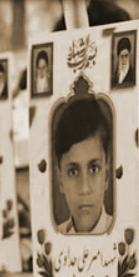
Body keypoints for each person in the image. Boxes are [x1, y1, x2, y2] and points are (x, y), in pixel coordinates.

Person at [53, 97, 113, 234]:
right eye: (73, 172)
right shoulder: (54, 236)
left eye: (94, 169)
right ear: (60, 180)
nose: (85, 188)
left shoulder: (122, 231)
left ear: (106, 176)